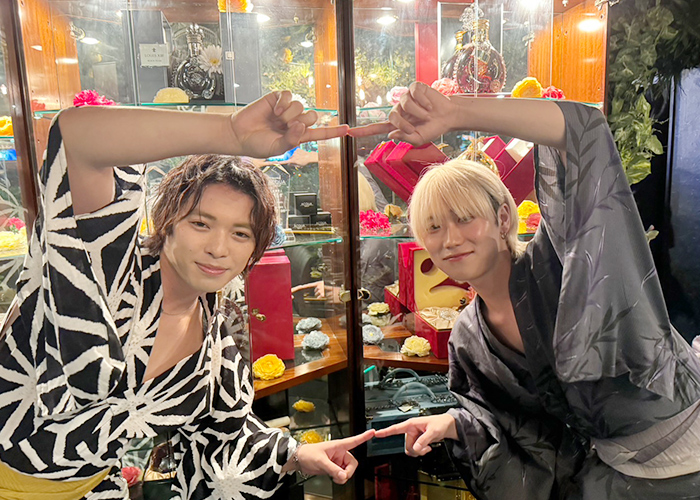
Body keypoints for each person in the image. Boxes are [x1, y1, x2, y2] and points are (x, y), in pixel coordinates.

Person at [0, 91, 374, 499]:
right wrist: (229, 133)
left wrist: (298, 454)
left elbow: (227, 438)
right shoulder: (111, 270)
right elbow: (76, 139)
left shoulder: (214, 338)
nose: (218, 248)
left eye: (241, 233)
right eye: (200, 223)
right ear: (168, 221)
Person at [350, 82, 700, 499]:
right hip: (612, 476)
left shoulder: (560, 261)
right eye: (434, 227)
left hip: (689, 448)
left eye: (465, 218)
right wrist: (452, 423)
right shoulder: (468, 336)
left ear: (503, 218)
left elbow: (582, 129)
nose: (451, 239)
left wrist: (457, 113)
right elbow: (511, 424)